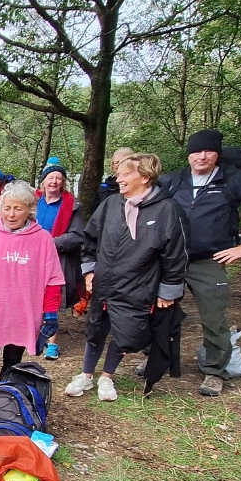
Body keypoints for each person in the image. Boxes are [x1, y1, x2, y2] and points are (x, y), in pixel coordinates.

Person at [158, 129, 241, 397]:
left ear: (218, 154)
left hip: (209, 261)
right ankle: (156, 359)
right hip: (170, 258)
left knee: (214, 318)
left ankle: (215, 371)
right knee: (159, 312)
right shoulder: (173, 181)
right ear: (189, 154)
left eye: (208, 151)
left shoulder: (236, 181)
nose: (202, 156)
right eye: (196, 151)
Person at [66, 153, 187, 402]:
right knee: (96, 328)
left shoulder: (167, 209)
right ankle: (86, 375)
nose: (118, 178)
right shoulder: (111, 204)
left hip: (139, 285)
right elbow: (90, 239)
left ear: (144, 177)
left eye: (124, 174)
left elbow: (175, 254)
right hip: (105, 282)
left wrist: (168, 290)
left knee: (126, 331)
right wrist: (89, 270)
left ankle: (107, 377)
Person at [0, 181, 64, 391]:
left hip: (24, 313)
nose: (11, 214)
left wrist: (51, 313)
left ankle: (4, 401)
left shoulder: (43, 240)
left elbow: (53, 281)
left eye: (18, 208)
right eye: (7, 208)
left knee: (12, 361)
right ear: (0, 209)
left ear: (29, 210)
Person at [34, 163, 86, 360]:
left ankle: (52, 343)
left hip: (58, 257)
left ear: (63, 182)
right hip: (34, 256)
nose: (54, 181)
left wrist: (52, 242)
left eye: (58, 178)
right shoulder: (34, 201)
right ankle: (36, 335)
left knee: (52, 298)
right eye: (50, 178)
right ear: (44, 181)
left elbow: (78, 235)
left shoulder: (71, 205)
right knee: (35, 295)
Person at [89, 147, 134, 216]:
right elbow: (95, 210)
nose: (119, 165)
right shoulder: (105, 185)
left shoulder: (137, 184)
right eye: (116, 162)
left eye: (123, 162)